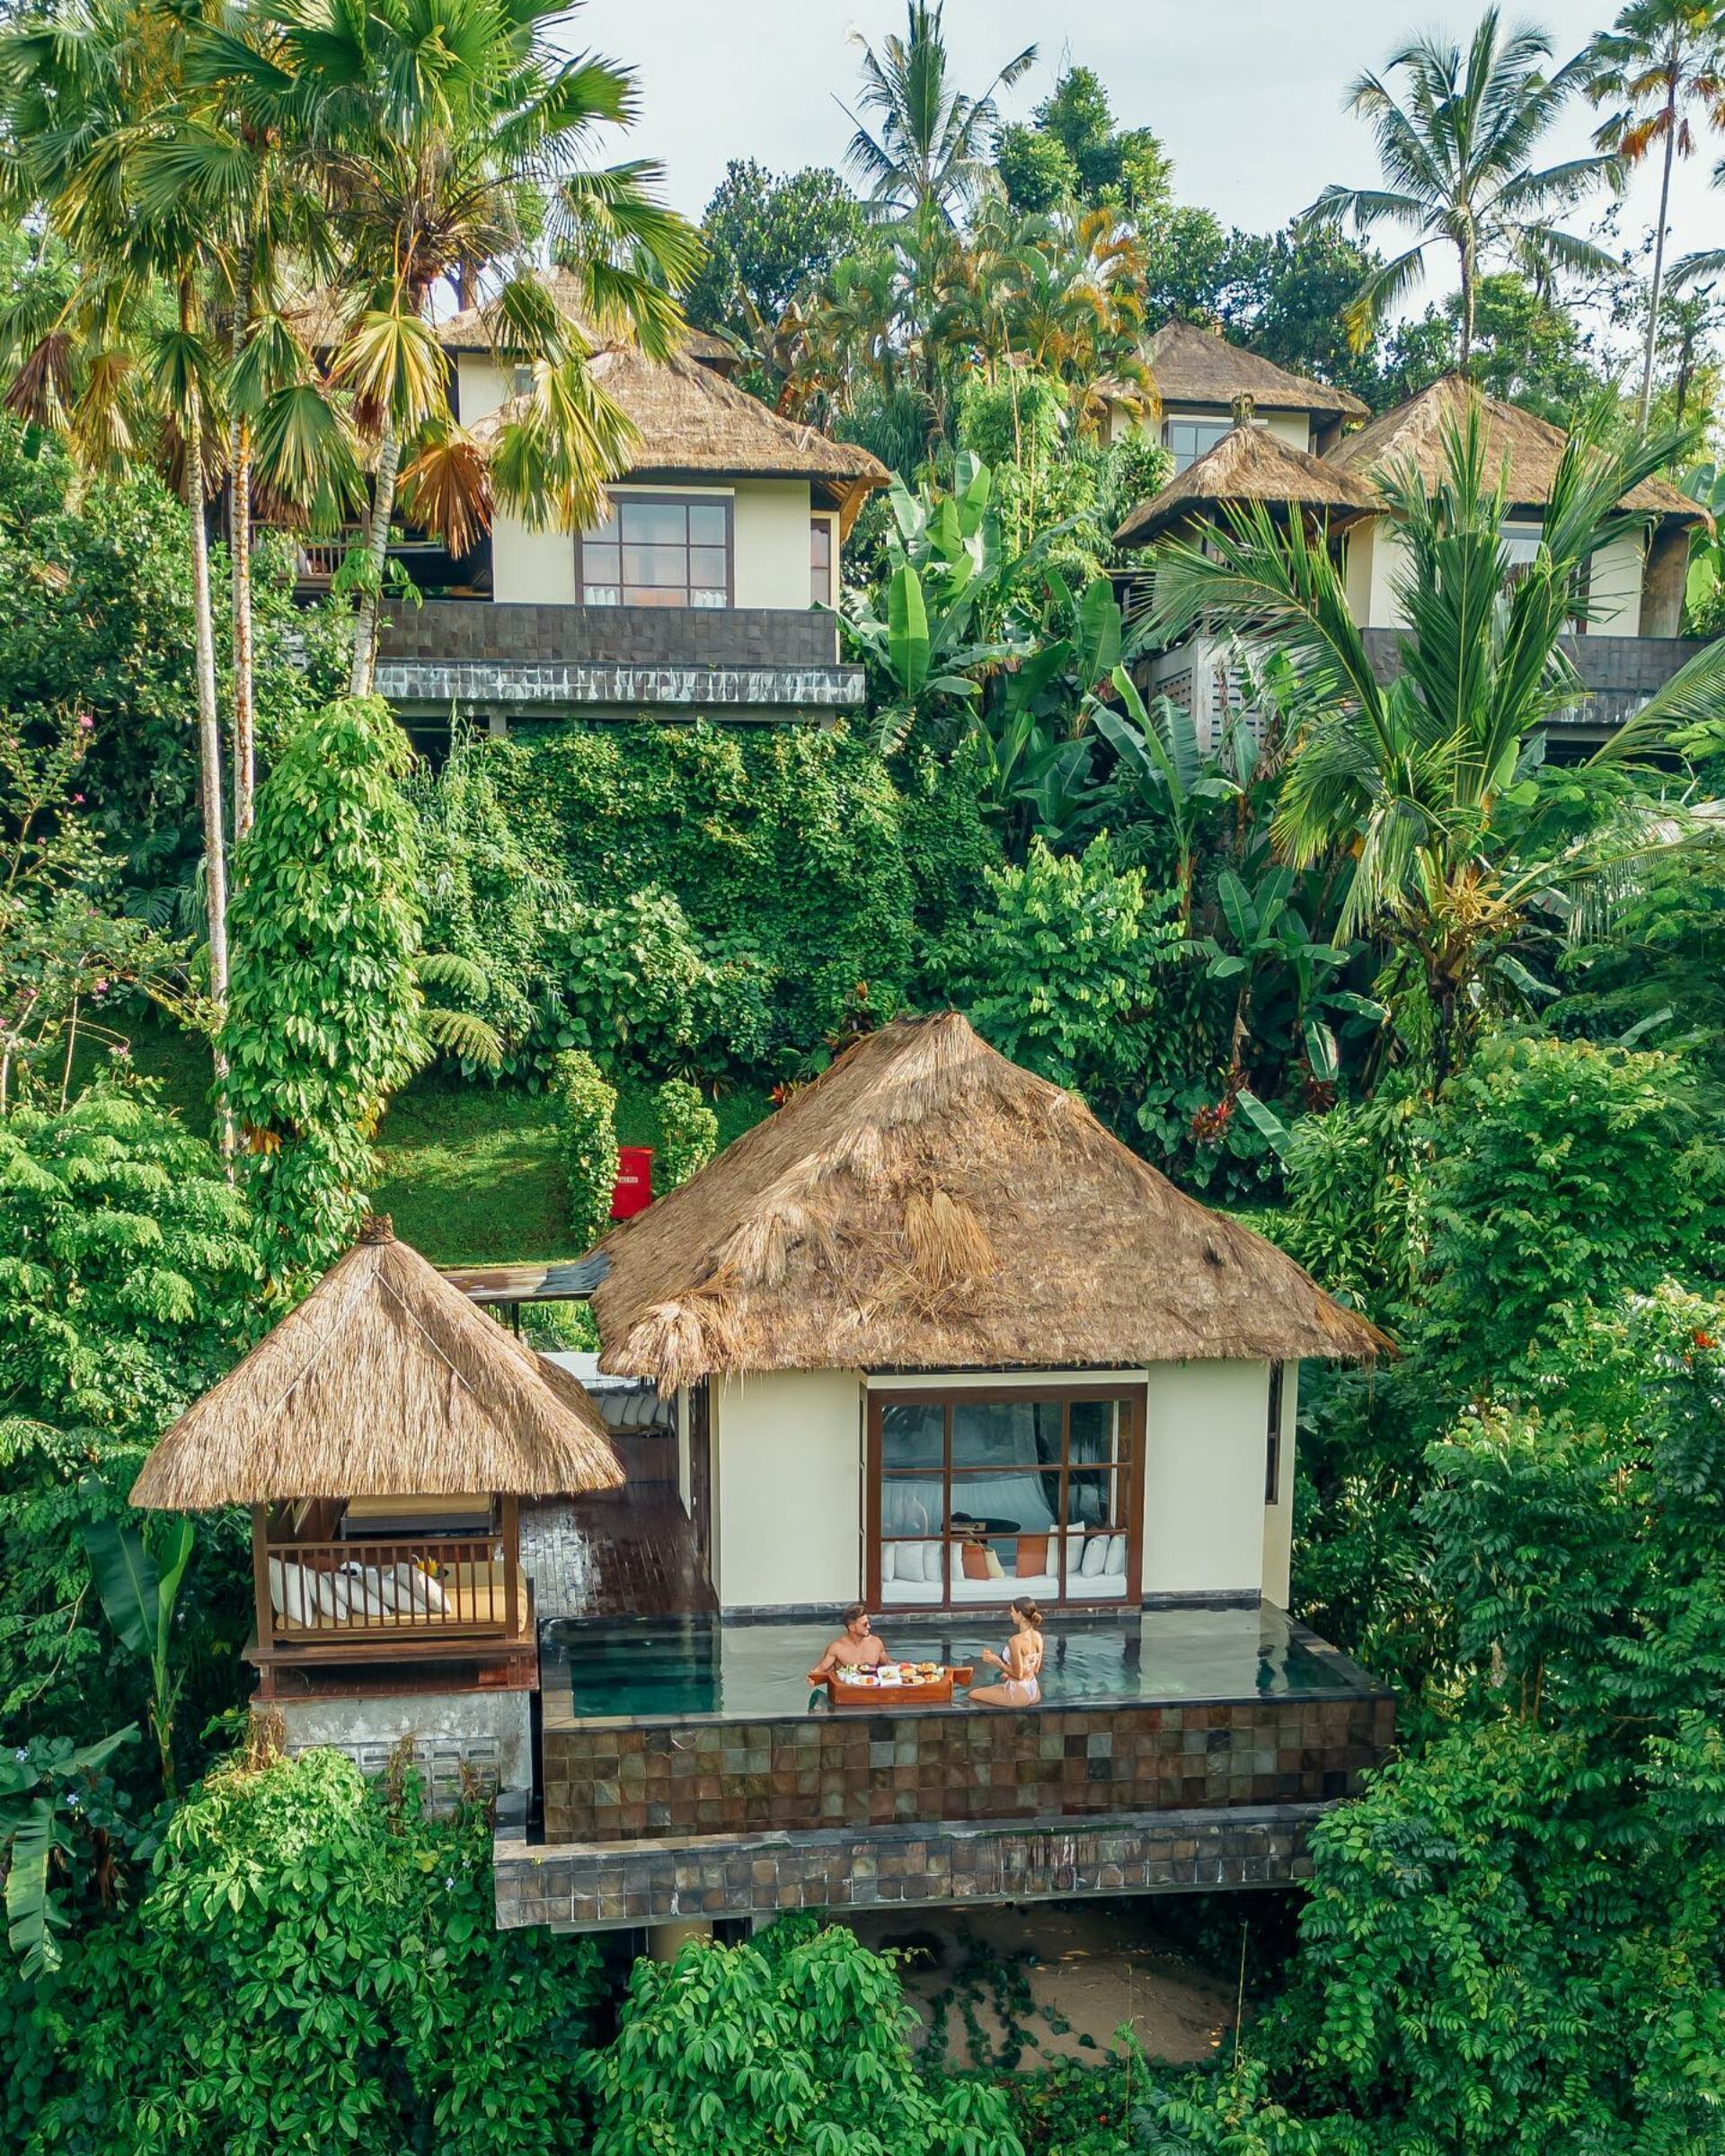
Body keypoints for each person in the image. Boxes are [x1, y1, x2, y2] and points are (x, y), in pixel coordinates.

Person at [967, 1596, 1044, 1707]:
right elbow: (1035, 1669)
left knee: (973, 1694)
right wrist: (1009, 1674)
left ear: (1020, 1614)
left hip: (1017, 1693)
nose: (1011, 1614)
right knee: (992, 1688)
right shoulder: (1038, 1636)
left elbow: (1019, 1675)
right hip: (1034, 1690)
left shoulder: (1015, 1641)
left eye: (1012, 1611)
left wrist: (997, 1662)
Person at [808, 1604, 889, 1683]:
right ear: (852, 1628)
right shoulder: (837, 1648)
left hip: (872, 1691)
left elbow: (888, 1664)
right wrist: (813, 1678)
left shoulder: (876, 1643)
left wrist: (901, 1667)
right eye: (864, 1624)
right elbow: (818, 1671)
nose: (869, 1627)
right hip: (847, 1692)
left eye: (868, 1622)